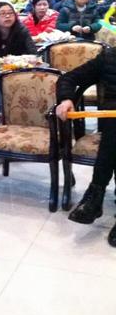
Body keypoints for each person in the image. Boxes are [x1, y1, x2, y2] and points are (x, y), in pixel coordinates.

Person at [56, 48, 116, 247]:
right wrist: (66, 99)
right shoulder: (109, 57)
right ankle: (95, 196)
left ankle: (94, 195)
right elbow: (68, 78)